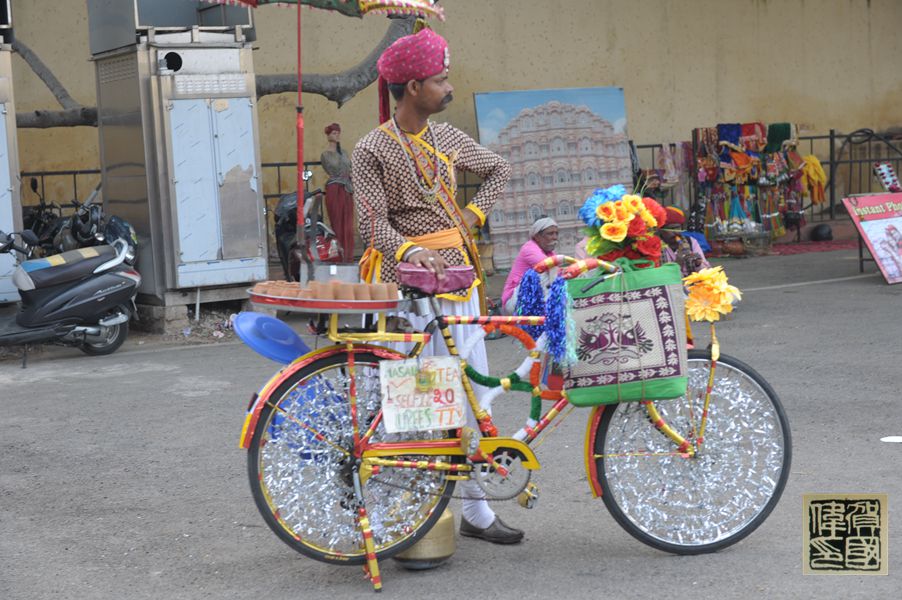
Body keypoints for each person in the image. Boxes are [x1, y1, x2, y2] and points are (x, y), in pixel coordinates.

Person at [351, 28, 521, 544]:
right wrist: (407, 248)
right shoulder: (370, 148)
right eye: (441, 79)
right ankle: (411, 517)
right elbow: (369, 222)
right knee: (421, 402)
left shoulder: (445, 138)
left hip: (459, 280)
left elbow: (499, 169)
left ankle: (475, 513)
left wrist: (469, 218)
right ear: (411, 87)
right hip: (409, 288)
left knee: (469, 395)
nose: (449, 87)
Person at [501, 217, 558, 314]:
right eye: (550, 233)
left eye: (556, 233)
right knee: (546, 273)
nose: (555, 237)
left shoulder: (549, 253)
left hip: (527, 300)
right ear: (537, 237)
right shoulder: (529, 248)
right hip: (512, 301)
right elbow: (553, 269)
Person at [320, 123, 355, 261]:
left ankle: (348, 256)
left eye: (338, 132)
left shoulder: (344, 152)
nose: (337, 135)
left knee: (348, 225)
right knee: (337, 224)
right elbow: (332, 170)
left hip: (347, 189)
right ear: (328, 136)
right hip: (334, 190)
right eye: (334, 133)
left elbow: (349, 168)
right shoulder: (325, 155)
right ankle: (339, 256)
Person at [659, 206, 710, 277]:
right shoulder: (656, 245)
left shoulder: (691, 241)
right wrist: (679, 257)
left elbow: (706, 271)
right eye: (671, 228)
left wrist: (698, 264)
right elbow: (665, 276)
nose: (676, 232)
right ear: (661, 230)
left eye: (678, 228)